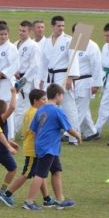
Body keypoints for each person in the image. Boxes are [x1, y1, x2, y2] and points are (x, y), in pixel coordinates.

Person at [22, 83, 81, 210]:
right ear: (58, 95)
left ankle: (60, 200)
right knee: (40, 174)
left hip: (45, 146)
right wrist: (77, 136)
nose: (62, 99)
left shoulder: (41, 109)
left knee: (56, 171)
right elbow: (68, 128)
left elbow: (33, 128)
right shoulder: (58, 110)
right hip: (48, 147)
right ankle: (29, 201)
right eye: (62, 96)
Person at [0, 89, 55, 207]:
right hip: (33, 148)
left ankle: (47, 198)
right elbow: (36, 131)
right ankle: (7, 194)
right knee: (27, 173)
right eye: (43, 99)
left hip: (34, 147)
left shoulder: (32, 111)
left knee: (40, 173)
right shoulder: (35, 113)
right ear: (35, 101)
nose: (46, 101)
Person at [38, 16, 80, 144]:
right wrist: (41, 78)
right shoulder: (46, 41)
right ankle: (51, 132)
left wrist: (70, 78)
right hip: (50, 77)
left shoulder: (69, 40)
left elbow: (73, 59)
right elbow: (43, 62)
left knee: (68, 106)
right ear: (52, 26)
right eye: (58, 26)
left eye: (63, 26)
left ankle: (74, 136)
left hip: (63, 75)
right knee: (49, 105)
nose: (61, 28)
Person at [71, 23, 103, 142]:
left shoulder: (92, 46)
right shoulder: (73, 45)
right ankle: (91, 132)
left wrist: (96, 84)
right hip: (74, 81)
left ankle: (70, 133)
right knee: (83, 108)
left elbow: (97, 66)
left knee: (78, 108)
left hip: (86, 81)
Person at [14, 20, 40, 133]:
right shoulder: (15, 44)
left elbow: (34, 65)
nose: (21, 33)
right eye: (20, 30)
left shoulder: (34, 46)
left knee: (21, 108)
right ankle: (28, 131)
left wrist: (23, 80)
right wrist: (14, 72)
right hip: (15, 78)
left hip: (27, 81)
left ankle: (12, 133)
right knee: (20, 108)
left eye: (23, 31)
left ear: (30, 31)